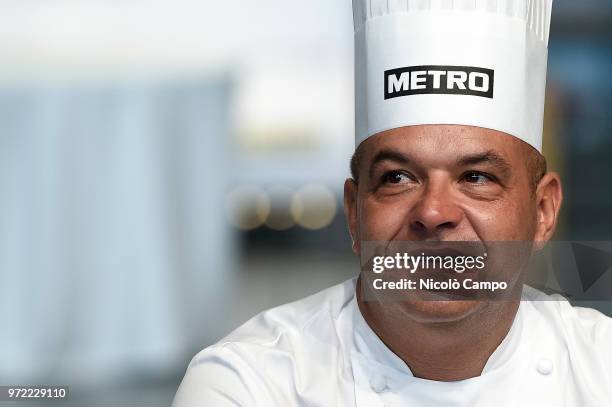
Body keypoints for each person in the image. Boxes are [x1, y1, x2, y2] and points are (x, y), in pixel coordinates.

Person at [173, 1, 612, 405]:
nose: (434, 213)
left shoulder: (600, 371)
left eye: (476, 177)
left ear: (543, 211)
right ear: (353, 213)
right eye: (397, 178)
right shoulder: (250, 384)